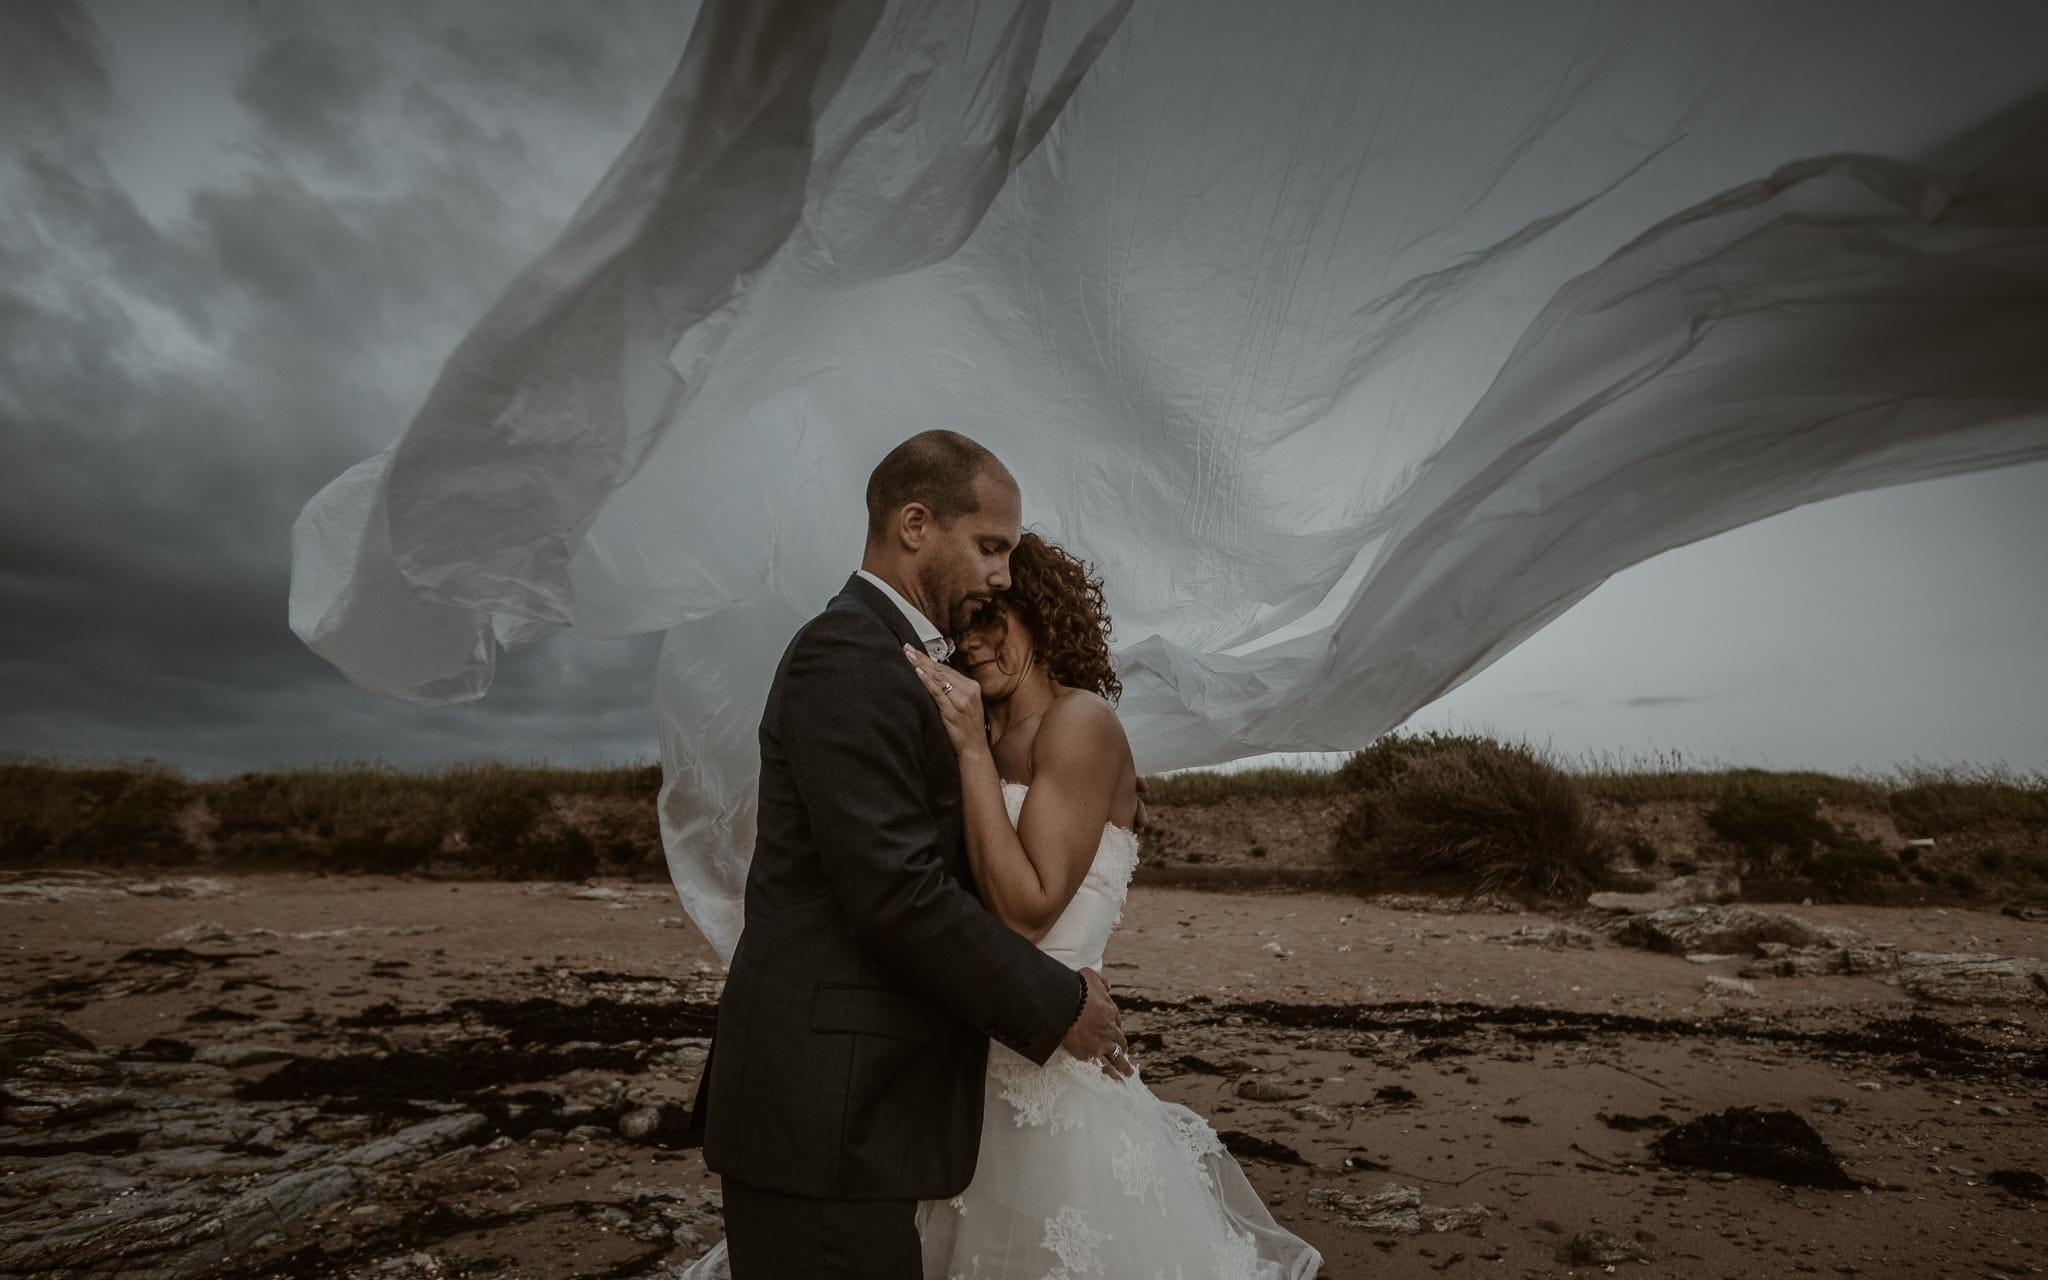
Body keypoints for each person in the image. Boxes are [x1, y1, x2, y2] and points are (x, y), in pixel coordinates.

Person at [684, 430, 1131, 1280]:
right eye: (991, 546)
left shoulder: (903, 663)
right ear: (916, 524)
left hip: (867, 1108)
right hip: (827, 1108)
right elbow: (894, 891)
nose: (1004, 572)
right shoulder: (845, 654)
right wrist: (1058, 1004)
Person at [899, 531, 1323, 1279]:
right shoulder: (983, 739)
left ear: (1041, 616)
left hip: (1059, 1075)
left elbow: (1028, 910)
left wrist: (968, 750)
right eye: (962, 627)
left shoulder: (1080, 722)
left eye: (992, 620)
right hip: (965, 1065)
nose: (971, 646)